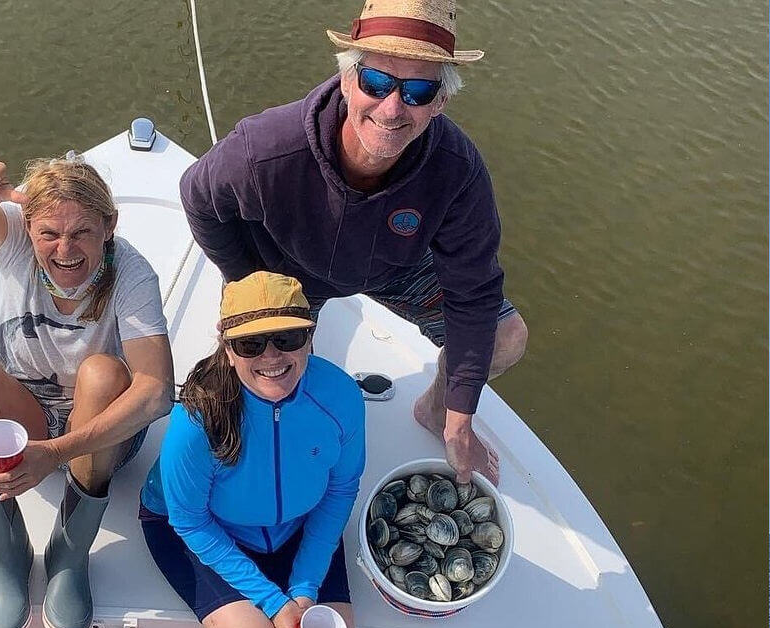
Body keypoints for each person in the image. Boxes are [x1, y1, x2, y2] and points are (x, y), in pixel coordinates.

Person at [178, 0, 528, 485]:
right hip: (288, 268)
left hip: (398, 267)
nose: (392, 108)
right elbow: (197, 196)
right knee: (261, 367)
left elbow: (474, 293)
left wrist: (459, 414)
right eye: (377, 83)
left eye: (419, 90)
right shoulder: (266, 149)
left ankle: (432, 409)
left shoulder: (458, 171)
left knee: (506, 337)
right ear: (347, 79)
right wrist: (246, 279)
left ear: (441, 102)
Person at [0, 151, 174, 628]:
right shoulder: (11, 238)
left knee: (102, 373)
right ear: (27, 226)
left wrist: (56, 454)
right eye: (49, 233)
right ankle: (6, 554)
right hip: (29, 418)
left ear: (109, 226)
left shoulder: (133, 275)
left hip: (98, 433)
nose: (65, 250)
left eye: (81, 232)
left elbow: (157, 391)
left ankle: (68, 557)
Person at [139, 272, 364, 628]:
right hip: (198, 532)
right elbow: (189, 519)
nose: (271, 356)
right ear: (226, 343)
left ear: (311, 335)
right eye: (251, 343)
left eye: (288, 338)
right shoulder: (197, 420)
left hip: (300, 528)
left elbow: (340, 490)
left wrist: (303, 588)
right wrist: (274, 604)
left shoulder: (341, 396)